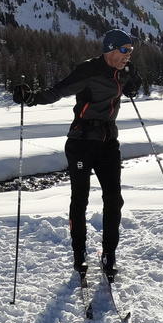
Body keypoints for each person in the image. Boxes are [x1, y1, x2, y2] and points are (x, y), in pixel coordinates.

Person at [11, 29, 137, 290]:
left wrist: (133, 81)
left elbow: (131, 87)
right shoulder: (89, 69)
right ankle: (79, 254)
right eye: (124, 50)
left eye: (131, 51)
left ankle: (109, 255)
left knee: (114, 198)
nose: (128, 56)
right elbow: (58, 90)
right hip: (81, 142)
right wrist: (32, 98)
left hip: (108, 143)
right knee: (80, 199)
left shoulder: (123, 72)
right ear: (109, 49)